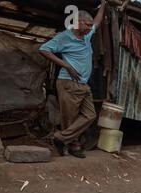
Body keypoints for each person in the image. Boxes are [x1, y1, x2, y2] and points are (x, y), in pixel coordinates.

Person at [39, 0, 107, 159]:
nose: (91, 28)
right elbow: (43, 49)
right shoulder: (64, 37)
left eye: (90, 25)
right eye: (87, 25)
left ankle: (60, 138)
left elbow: (97, 21)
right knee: (69, 118)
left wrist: (103, 4)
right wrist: (67, 66)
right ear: (77, 22)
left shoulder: (86, 36)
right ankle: (73, 146)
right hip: (68, 83)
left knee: (90, 115)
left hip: (82, 84)